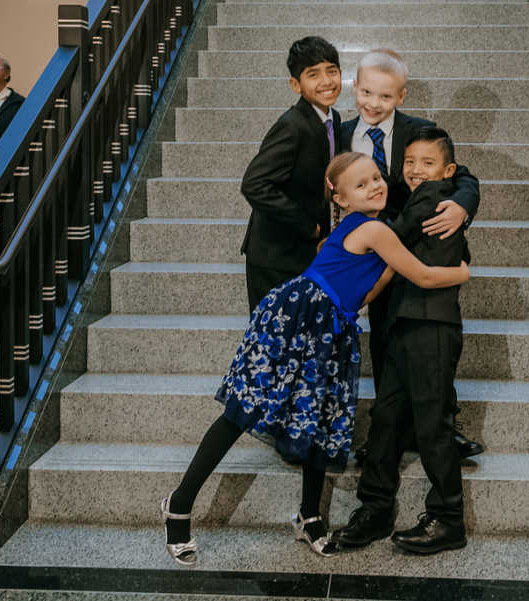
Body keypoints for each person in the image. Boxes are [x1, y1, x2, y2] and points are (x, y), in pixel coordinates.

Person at [158, 152, 470, 566]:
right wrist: (463, 272)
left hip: (332, 325)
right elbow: (426, 276)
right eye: (361, 185)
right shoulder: (375, 229)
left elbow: (368, 291)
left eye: (377, 178)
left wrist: (377, 283)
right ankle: (178, 507)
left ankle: (308, 515)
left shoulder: (367, 230)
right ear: (339, 199)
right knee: (243, 409)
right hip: (298, 320)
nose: (375, 186)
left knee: (317, 417)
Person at [333, 128, 471, 556]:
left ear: (446, 171)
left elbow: (390, 239)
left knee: (432, 425)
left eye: (426, 163)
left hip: (430, 325)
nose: (415, 170)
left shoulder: (435, 198)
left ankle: (448, 518)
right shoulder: (413, 193)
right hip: (401, 323)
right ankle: (374, 506)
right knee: (387, 418)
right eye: (409, 162)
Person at [340, 49, 482, 461]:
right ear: (355, 89)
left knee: (427, 340)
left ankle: (441, 422)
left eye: (384, 97)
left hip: (418, 248)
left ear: (400, 97)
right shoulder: (339, 129)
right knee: (383, 341)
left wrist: (462, 206)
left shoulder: (420, 130)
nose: (373, 104)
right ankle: (387, 433)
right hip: (367, 250)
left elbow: (464, 175)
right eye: (366, 93)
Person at [240, 36, 341, 313]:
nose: (326, 81)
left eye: (332, 71)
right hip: (276, 257)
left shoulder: (334, 119)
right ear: (296, 85)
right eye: (313, 74)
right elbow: (255, 184)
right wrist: (309, 226)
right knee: (275, 344)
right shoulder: (292, 126)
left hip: (304, 253)